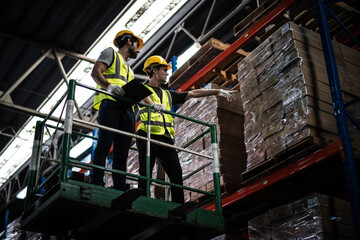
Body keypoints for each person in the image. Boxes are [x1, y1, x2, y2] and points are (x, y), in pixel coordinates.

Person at [136, 55, 236, 203]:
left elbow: (192, 93)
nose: (167, 73)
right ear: (154, 70)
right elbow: (145, 98)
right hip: (147, 135)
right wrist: (153, 105)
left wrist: (217, 92)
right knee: (146, 172)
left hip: (165, 138)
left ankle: (179, 205)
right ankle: (142, 201)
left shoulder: (167, 94)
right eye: (164, 70)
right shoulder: (142, 88)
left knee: (176, 173)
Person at [91, 30, 143, 191]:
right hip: (111, 104)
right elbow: (95, 72)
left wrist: (151, 104)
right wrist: (108, 86)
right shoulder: (110, 53)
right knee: (104, 145)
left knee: (122, 153)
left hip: (126, 110)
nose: (138, 49)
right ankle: (97, 182)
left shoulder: (130, 69)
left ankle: (119, 187)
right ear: (129, 41)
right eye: (136, 44)